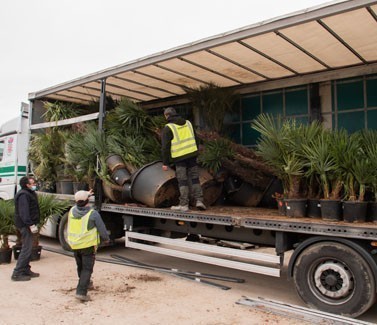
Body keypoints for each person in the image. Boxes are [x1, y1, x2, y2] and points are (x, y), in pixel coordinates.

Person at [67, 190, 110, 302]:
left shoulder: (72, 211)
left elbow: (80, 198)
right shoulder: (93, 214)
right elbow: (102, 229)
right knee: (87, 269)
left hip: (75, 244)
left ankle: (86, 282)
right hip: (87, 245)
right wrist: (106, 239)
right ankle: (81, 292)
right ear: (88, 201)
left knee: (80, 266)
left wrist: (87, 194)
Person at [161, 107, 206, 212]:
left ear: (167, 115)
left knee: (183, 181)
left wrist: (165, 163)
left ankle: (184, 205)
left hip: (180, 158)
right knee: (195, 179)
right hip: (192, 155)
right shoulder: (188, 123)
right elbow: (196, 139)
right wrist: (195, 152)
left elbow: (165, 147)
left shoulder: (168, 127)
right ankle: (199, 201)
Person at [12, 176, 40, 281]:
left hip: (27, 224)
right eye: (32, 184)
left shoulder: (28, 193)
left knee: (28, 248)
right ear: (27, 185)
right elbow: (24, 212)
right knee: (26, 249)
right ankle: (17, 273)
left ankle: (26, 269)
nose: (34, 185)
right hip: (25, 225)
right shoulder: (23, 195)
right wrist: (30, 224)